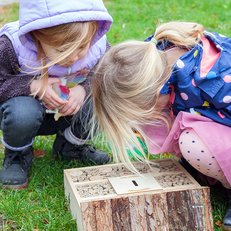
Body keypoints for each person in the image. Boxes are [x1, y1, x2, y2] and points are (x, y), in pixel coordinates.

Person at [91, 21, 231, 230]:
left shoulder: (215, 78)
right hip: (214, 116)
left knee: (192, 143)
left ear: (156, 93)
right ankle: (208, 168)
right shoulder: (152, 59)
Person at [0, 0, 113, 189]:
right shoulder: (11, 46)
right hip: (23, 115)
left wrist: (84, 88)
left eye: (81, 47)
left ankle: (71, 146)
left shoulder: (97, 44)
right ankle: (18, 155)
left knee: (104, 98)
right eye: (62, 50)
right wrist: (32, 85)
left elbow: (106, 73)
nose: (74, 57)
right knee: (23, 112)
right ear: (36, 35)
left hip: (68, 114)